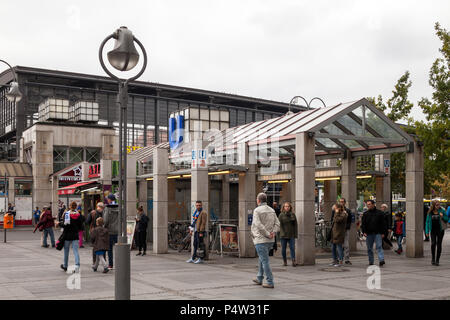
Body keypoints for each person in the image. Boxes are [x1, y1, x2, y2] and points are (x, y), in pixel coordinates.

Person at [251, 193, 280, 289]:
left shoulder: (257, 210)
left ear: (258, 200)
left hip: (260, 239)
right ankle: (259, 277)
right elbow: (277, 223)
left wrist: (267, 233)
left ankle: (270, 281)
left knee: (265, 261)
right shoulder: (271, 210)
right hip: (270, 240)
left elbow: (258, 224)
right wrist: (273, 233)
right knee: (262, 258)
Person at [57, 201, 82, 272]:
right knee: (76, 251)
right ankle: (77, 266)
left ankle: (65, 265)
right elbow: (80, 226)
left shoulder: (67, 214)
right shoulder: (78, 215)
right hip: (75, 235)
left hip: (67, 235)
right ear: (76, 207)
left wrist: (58, 224)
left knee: (66, 251)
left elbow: (65, 225)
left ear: (70, 206)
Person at [361, 199, 386, 266]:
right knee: (369, 248)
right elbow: (363, 224)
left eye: (369, 204)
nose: (368, 205)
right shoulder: (365, 214)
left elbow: (383, 224)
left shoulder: (380, 213)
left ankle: (381, 260)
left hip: (378, 233)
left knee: (379, 246)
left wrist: (383, 233)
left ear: (373, 204)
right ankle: (371, 261)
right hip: (369, 233)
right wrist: (364, 232)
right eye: (367, 204)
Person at [425, 200, 448, 266]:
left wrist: (442, 216)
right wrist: (426, 232)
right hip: (433, 230)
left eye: (439, 204)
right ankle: (433, 258)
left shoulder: (442, 211)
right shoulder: (430, 212)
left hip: (440, 230)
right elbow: (427, 222)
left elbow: (446, 219)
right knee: (433, 243)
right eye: (437, 205)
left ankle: (437, 260)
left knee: (439, 244)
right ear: (433, 205)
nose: (438, 206)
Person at [278, 202, 297, 267]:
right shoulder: (281, 215)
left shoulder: (293, 214)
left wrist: (295, 234)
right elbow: (279, 225)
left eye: (288, 206)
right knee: (283, 249)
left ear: (290, 207)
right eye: (285, 206)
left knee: (292, 248)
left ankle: (293, 261)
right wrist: (282, 233)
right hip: (283, 235)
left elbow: (295, 225)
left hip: (291, 234)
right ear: (283, 207)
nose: (287, 207)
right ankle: (285, 261)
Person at [337, 198, 354, 265]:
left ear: (345, 203)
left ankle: (347, 259)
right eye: (340, 202)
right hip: (338, 230)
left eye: (342, 202)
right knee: (339, 245)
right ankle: (339, 258)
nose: (341, 203)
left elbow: (350, 220)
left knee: (346, 245)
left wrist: (347, 227)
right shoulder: (336, 210)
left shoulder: (348, 210)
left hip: (345, 229)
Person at [104, 195, 119, 269]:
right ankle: (120, 263)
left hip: (109, 231)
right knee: (119, 248)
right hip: (117, 231)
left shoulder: (107, 208)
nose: (107, 200)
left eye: (108, 199)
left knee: (110, 249)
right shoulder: (119, 207)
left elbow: (106, 220)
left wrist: (104, 227)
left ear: (110, 199)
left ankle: (111, 264)